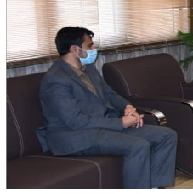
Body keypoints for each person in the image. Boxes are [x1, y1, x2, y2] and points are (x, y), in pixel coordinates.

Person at [37, 27, 178, 189]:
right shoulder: (56, 80)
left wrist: (128, 107)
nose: (93, 49)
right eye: (89, 46)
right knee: (138, 145)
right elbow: (74, 121)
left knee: (166, 136)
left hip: (102, 125)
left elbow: (109, 94)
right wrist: (121, 123)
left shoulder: (89, 69)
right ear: (75, 49)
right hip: (75, 136)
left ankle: (155, 188)